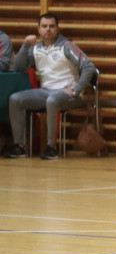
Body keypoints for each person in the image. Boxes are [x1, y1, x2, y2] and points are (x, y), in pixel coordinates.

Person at [5, 13, 96, 160]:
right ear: (39, 29)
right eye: (44, 26)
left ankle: (51, 147)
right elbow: (19, 67)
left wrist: (76, 89)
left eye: (52, 26)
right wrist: (25, 45)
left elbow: (89, 67)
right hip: (46, 91)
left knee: (52, 100)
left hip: (69, 94)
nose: (48, 29)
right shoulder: (36, 49)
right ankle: (19, 146)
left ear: (58, 29)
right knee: (15, 99)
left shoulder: (66, 46)